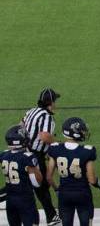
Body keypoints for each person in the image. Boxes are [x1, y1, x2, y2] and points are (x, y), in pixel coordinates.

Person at [22, 88, 60, 225]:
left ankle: (51, 215)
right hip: (35, 155)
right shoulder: (46, 117)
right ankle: (51, 216)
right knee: (41, 185)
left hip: (24, 150)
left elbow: (21, 126)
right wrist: (57, 143)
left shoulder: (31, 111)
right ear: (51, 102)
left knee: (22, 184)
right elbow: (44, 136)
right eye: (55, 101)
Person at [1, 125, 44, 226]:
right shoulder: (28, 157)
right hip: (25, 199)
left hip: (10, 199)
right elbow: (36, 183)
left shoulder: (4, 155)